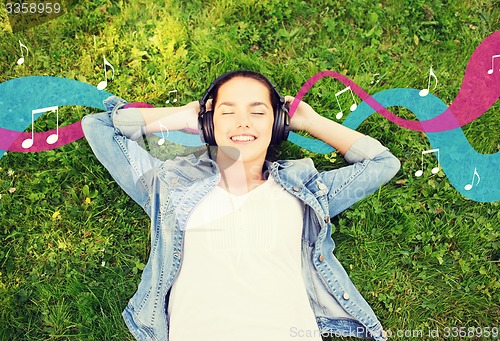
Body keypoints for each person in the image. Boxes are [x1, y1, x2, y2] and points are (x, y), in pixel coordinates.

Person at [82, 70, 400, 341]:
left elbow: (382, 163)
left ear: (278, 124)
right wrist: (180, 116)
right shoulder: (169, 186)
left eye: (258, 112)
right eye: (228, 112)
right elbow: (100, 127)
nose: (243, 122)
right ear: (208, 124)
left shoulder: (305, 191)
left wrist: (312, 122)